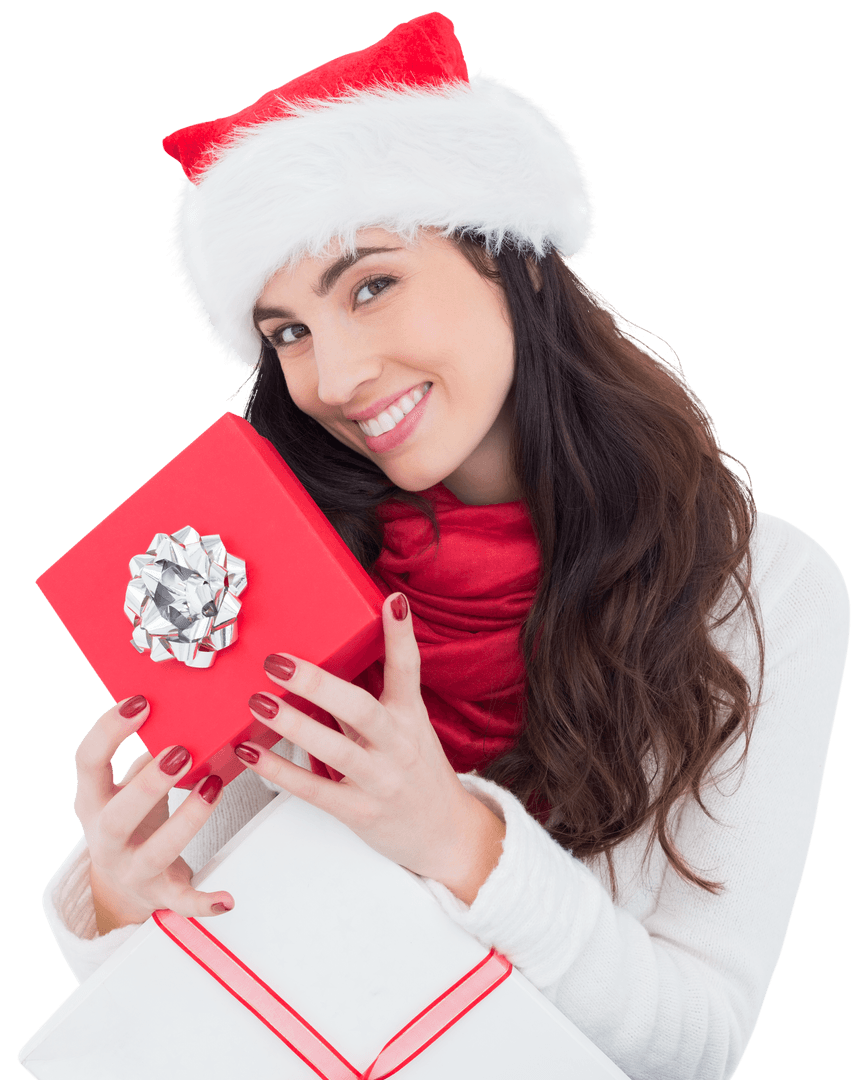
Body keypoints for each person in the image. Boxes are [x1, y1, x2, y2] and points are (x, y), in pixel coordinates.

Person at [40, 12, 850, 1080]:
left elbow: (696, 1050)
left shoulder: (758, 590)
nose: (330, 378)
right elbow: (210, 1017)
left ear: (506, 257)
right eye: (287, 332)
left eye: (370, 284)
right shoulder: (272, 569)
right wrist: (126, 902)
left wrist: (456, 840)